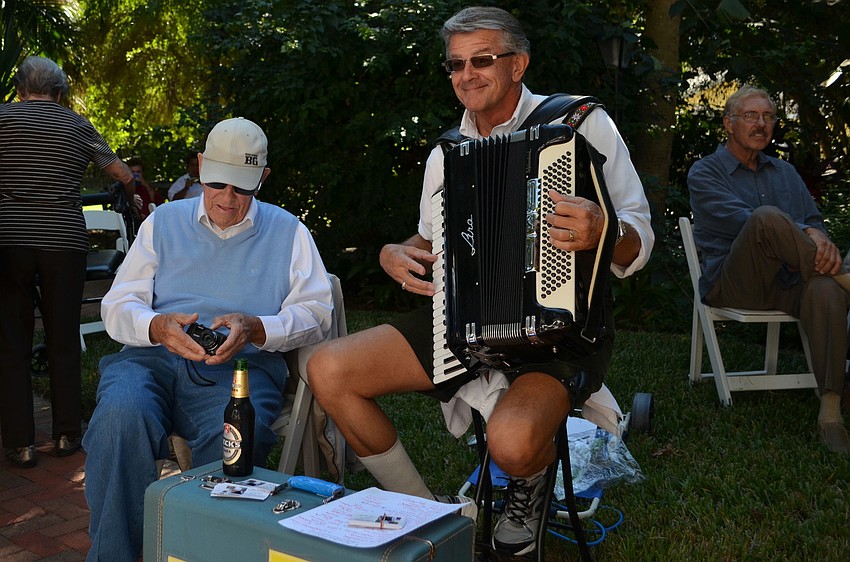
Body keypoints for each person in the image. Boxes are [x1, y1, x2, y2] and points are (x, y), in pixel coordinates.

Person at [307, 6, 653, 556]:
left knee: (512, 443)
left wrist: (602, 229)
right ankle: (438, 517)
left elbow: (640, 240)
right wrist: (395, 253)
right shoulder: (446, 153)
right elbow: (427, 240)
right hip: (462, 316)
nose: (466, 74)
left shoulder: (582, 124)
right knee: (327, 369)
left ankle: (528, 487)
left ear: (519, 65)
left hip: (561, 329)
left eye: (483, 60)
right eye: (456, 64)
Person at [82, 117, 334, 562]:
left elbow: (316, 315)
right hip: (152, 359)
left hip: (239, 369)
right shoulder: (163, 221)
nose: (227, 199)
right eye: (216, 183)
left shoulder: (289, 231)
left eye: (242, 188)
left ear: (263, 179)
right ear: (199, 167)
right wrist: (156, 327)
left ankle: (199, 553)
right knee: (119, 418)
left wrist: (258, 328)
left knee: (231, 446)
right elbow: (117, 305)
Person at [687, 85, 850, 454]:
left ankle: (830, 411)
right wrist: (806, 232)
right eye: (751, 116)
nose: (761, 124)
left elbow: (815, 224)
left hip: (790, 282)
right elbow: (746, 222)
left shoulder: (787, 173)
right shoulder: (705, 171)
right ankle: (846, 280)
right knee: (764, 218)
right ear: (729, 123)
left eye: (768, 117)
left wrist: (817, 235)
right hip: (736, 282)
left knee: (824, 288)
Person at [0, 56, 135, 469]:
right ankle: (65, 435)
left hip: (9, 240)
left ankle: (20, 444)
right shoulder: (76, 124)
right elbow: (122, 173)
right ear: (59, 92)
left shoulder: (2, 119)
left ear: (20, 89)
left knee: (10, 341)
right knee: (62, 336)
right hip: (63, 241)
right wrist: (130, 193)